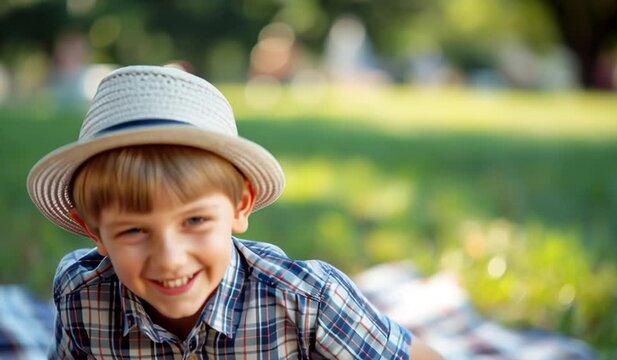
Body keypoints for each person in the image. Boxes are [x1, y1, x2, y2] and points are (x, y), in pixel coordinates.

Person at [27, 65, 442, 359]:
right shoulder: (83, 295)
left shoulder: (306, 301)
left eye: (194, 221)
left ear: (240, 206)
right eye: (134, 230)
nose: (169, 257)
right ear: (94, 231)